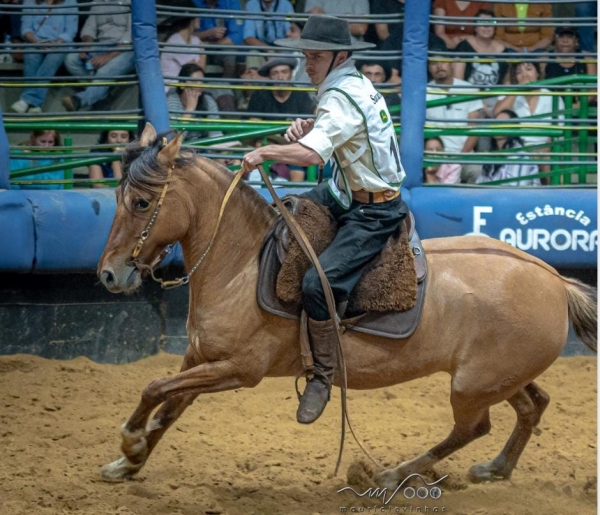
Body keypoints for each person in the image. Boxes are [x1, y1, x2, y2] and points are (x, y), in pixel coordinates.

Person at [241, 15, 406, 424]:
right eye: (306, 56)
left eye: (315, 57)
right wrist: (315, 128)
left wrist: (266, 152)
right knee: (289, 213)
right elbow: (346, 134)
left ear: (340, 56)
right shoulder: (350, 86)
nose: (307, 65)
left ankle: (321, 375)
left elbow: (315, 156)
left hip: (371, 211)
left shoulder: (340, 95)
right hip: (346, 191)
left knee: (319, 284)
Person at [426, 43, 484, 183]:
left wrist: (461, 157)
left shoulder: (469, 89)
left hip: (464, 154)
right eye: (434, 63)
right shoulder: (424, 92)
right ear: (429, 68)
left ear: (451, 63)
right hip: (436, 156)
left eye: (443, 62)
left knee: (476, 170)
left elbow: (474, 128)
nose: (439, 66)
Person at [62, 0, 133, 112]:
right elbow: (89, 28)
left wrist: (108, 57)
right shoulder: (97, 2)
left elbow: (132, 33)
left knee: (104, 71)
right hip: (101, 45)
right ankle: (100, 93)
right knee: (71, 59)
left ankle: (80, 100)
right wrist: (86, 46)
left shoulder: (131, 2)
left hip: (127, 48)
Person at [11, 0, 78, 113]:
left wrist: (57, 43)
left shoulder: (70, 2)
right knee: (31, 53)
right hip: (36, 41)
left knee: (54, 56)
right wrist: (36, 42)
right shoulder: (29, 2)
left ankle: (26, 99)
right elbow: (26, 29)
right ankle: (35, 105)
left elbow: (70, 31)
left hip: (60, 43)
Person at [453, 9, 509, 118]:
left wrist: (499, 101)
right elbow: (457, 81)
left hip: (494, 99)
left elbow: (506, 80)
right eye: (482, 22)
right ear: (475, 27)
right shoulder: (464, 47)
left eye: (491, 23)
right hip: (468, 97)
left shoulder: (503, 50)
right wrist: (477, 103)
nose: (486, 27)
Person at [477, 109, 541, 186]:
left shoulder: (520, 156)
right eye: (495, 122)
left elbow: (515, 189)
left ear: (513, 129)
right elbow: (480, 184)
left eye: (502, 123)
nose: (496, 126)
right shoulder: (492, 154)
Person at [167, 62, 223, 141]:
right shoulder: (172, 101)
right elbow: (174, 142)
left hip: (203, 149)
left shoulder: (207, 101)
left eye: (201, 81)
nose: (199, 86)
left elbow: (216, 135)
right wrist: (189, 110)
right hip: (180, 150)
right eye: (194, 81)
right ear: (182, 85)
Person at [191, 0, 244, 78]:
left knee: (230, 53)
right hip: (199, 45)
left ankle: (227, 86)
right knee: (191, 51)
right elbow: (187, 33)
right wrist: (208, 33)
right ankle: (196, 85)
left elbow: (236, 36)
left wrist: (211, 45)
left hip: (221, 47)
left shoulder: (231, 2)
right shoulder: (194, 2)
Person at [247, 57, 315, 117]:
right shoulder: (259, 95)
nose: (280, 77)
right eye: (275, 73)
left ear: (291, 74)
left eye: (284, 72)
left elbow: (305, 124)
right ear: (269, 76)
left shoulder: (301, 95)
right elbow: (254, 121)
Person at [160, 16, 207, 92]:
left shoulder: (195, 40)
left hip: (188, 88)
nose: (199, 18)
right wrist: (204, 55)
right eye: (196, 16)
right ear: (190, 20)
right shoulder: (175, 41)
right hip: (171, 90)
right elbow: (197, 71)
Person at [303, 0, 369, 42]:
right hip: (322, 46)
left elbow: (361, 29)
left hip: (352, 50)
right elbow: (316, 21)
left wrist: (327, 19)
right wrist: (346, 21)